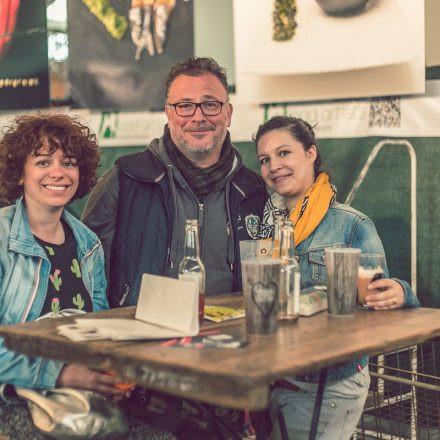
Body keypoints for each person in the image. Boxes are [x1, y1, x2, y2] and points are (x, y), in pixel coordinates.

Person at [255, 115, 420, 440]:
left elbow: (383, 299)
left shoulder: (351, 225)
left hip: (325, 386)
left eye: (284, 153)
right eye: (265, 159)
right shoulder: (263, 226)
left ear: (311, 153)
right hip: (269, 380)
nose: (274, 166)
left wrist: (400, 292)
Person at [82, 56, 267, 307]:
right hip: (141, 338)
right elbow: (86, 276)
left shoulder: (253, 190)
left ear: (228, 113)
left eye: (210, 105)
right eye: (185, 106)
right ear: (169, 113)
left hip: (230, 337)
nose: (198, 117)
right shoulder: (123, 180)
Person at [0, 114, 129, 429]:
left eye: (68, 163)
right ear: (19, 173)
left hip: (77, 404)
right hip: (12, 401)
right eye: (43, 162)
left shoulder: (89, 245)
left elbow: (98, 331)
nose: (58, 172)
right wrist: (57, 374)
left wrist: (109, 374)